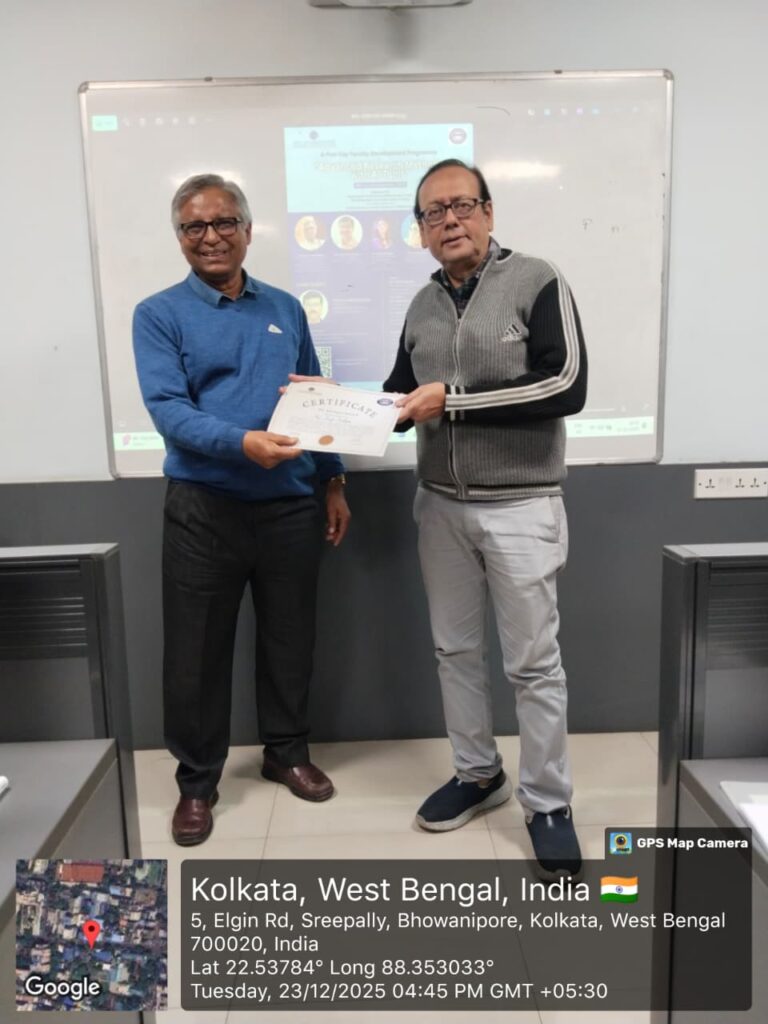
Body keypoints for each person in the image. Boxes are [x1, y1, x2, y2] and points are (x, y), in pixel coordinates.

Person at [383, 159, 587, 881]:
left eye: (462, 205)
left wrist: (456, 401)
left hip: (522, 507)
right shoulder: (421, 303)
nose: (449, 221)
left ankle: (548, 803)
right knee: (455, 652)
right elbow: (401, 397)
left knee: (533, 664)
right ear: (421, 230)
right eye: (433, 213)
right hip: (440, 506)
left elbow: (566, 384)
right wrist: (326, 406)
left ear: (489, 212)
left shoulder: (537, 279)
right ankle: (477, 773)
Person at [132, 173, 350, 847]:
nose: (211, 236)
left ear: (248, 231)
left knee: (290, 638)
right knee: (195, 654)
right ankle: (198, 783)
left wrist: (333, 480)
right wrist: (242, 444)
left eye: (224, 222)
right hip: (204, 508)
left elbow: (314, 397)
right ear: (179, 238)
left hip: (289, 507)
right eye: (194, 226)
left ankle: (286, 753)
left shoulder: (285, 307)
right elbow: (168, 410)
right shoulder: (158, 314)